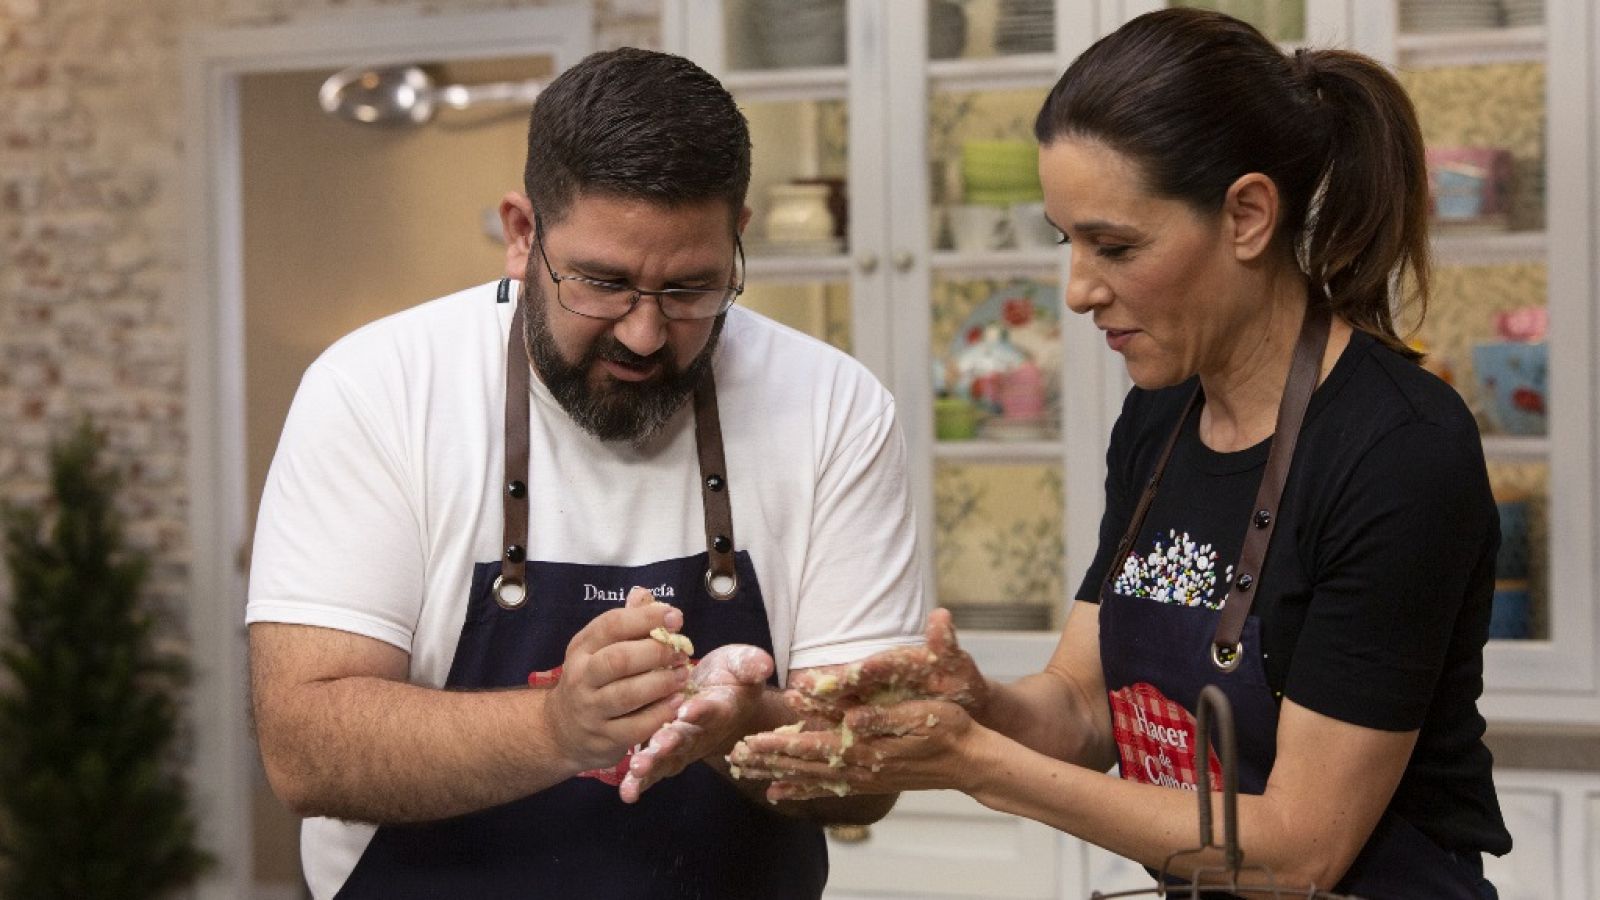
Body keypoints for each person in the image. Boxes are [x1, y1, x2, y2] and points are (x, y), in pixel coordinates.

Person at [729, 9, 1511, 898]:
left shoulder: (1398, 450)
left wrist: (979, 764)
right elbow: (1083, 704)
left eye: (1115, 245)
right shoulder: (1160, 419)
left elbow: (1301, 849)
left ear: (1248, 214)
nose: (1077, 291)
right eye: (1069, 241)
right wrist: (974, 706)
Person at [245, 47, 925, 899]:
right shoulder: (377, 389)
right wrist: (559, 727)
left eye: (690, 288)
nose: (643, 334)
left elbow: (872, 769)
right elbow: (306, 747)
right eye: (601, 284)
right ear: (522, 234)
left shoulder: (834, 406)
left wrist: (744, 726)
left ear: (737, 239)